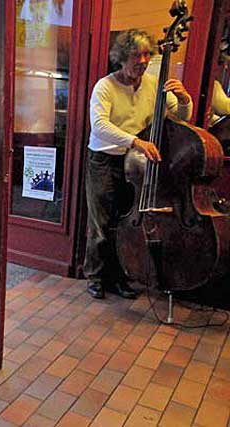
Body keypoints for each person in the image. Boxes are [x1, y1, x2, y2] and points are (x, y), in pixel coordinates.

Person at [84, 29, 193, 299]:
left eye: (146, 54)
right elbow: (99, 126)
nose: (142, 60)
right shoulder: (105, 86)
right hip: (105, 160)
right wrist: (136, 141)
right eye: (136, 55)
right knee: (101, 224)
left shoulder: (154, 85)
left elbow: (181, 118)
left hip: (135, 163)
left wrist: (184, 100)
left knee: (125, 222)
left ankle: (118, 278)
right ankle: (95, 276)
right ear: (122, 58)